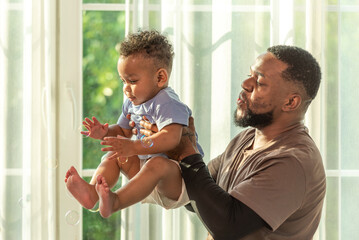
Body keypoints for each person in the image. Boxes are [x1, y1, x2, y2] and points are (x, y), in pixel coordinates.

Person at [135, 45, 326, 239]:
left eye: (259, 81)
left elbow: (228, 226)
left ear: (290, 102)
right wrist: (170, 145)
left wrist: (185, 151)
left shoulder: (293, 162)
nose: (245, 83)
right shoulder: (247, 139)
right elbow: (195, 197)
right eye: (249, 75)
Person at [64, 30, 203, 218]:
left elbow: (171, 138)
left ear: (160, 77)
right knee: (116, 154)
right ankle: (93, 193)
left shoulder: (167, 102)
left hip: (180, 179)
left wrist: (134, 146)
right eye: (123, 81)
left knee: (158, 163)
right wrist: (104, 133)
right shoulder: (132, 101)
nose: (126, 88)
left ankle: (116, 201)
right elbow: (123, 130)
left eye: (132, 81)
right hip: (145, 178)